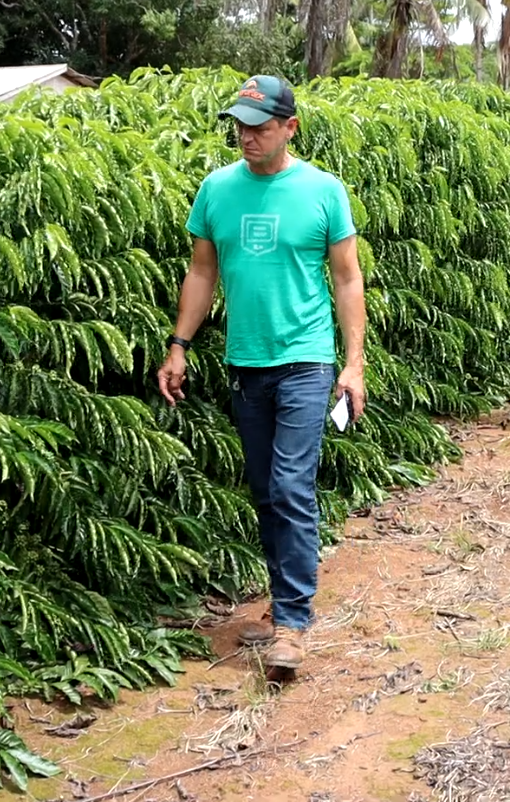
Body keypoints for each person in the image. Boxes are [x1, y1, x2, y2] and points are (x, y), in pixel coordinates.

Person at [156, 74, 367, 673]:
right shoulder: (217, 190)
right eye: (240, 127)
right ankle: (284, 606)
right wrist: (179, 345)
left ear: (289, 128)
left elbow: (347, 279)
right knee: (264, 493)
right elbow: (202, 272)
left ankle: (293, 621)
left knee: (290, 486)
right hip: (245, 362)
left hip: (305, 359)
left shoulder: (323, 191)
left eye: (260, 127)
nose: (247, 138)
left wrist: (353, 365)